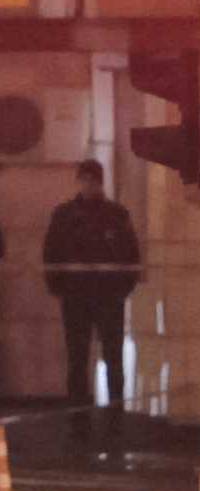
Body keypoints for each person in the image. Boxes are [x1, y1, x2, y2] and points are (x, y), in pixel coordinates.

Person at [43, 161, 140, 448]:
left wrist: (121, 289)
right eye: (84, 180)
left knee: (112, 359)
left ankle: (114, 420)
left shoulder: (116, 215)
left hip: (106, 297)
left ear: (100, 182)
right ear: (78, 182)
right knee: (77, 361)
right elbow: (51, 253)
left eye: (92, 181)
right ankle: (79, 422)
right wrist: (59, 288)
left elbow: (130, 256)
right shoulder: (64, 216)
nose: (88, 186)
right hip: (78, 297)